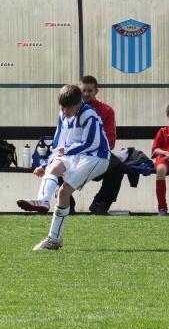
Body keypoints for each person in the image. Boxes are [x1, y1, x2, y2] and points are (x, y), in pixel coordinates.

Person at [21, 84, 110, 250]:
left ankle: (53, 239)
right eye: (62, 107)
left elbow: (93, 143)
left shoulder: (89, 114)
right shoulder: (62, 115)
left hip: (96, 157)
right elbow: (58, 145)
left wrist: (67, 150)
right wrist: (45, 164)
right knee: (53, 168)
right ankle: (44, 203)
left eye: (68, 107)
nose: (65, 111)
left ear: (78, 103)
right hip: (74, 154)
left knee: (64, 191)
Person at [80, 75, 124, 214]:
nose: (86, 94)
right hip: (78, 154)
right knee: (59, 165)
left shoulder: (106, 111)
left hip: (99, 153)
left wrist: (96, 151)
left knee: (118, 167)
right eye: (83, 90)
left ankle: (100, 203)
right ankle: (67, 204)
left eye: (90, 90)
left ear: (96, 91)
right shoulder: (71, 108)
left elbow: (111, 139)